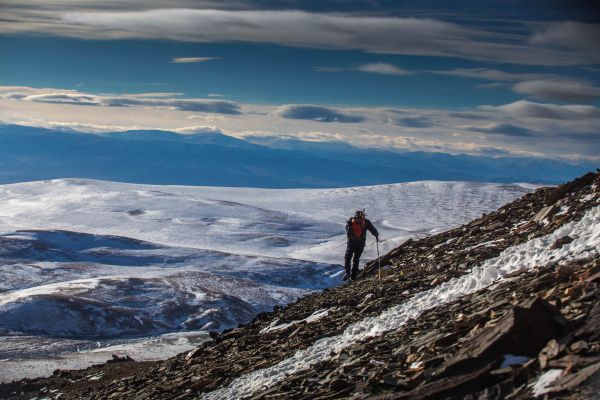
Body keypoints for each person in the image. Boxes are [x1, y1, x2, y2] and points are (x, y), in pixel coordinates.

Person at [344, 210, 379, 281]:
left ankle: (347, 272)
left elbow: (347, 229)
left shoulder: (351, 220)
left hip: (351, 242)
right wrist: (376, 235)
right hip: (360, 243)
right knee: (356, 260)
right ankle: (353, 277)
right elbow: (373, 230)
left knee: (347, 257)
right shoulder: (366, 222)